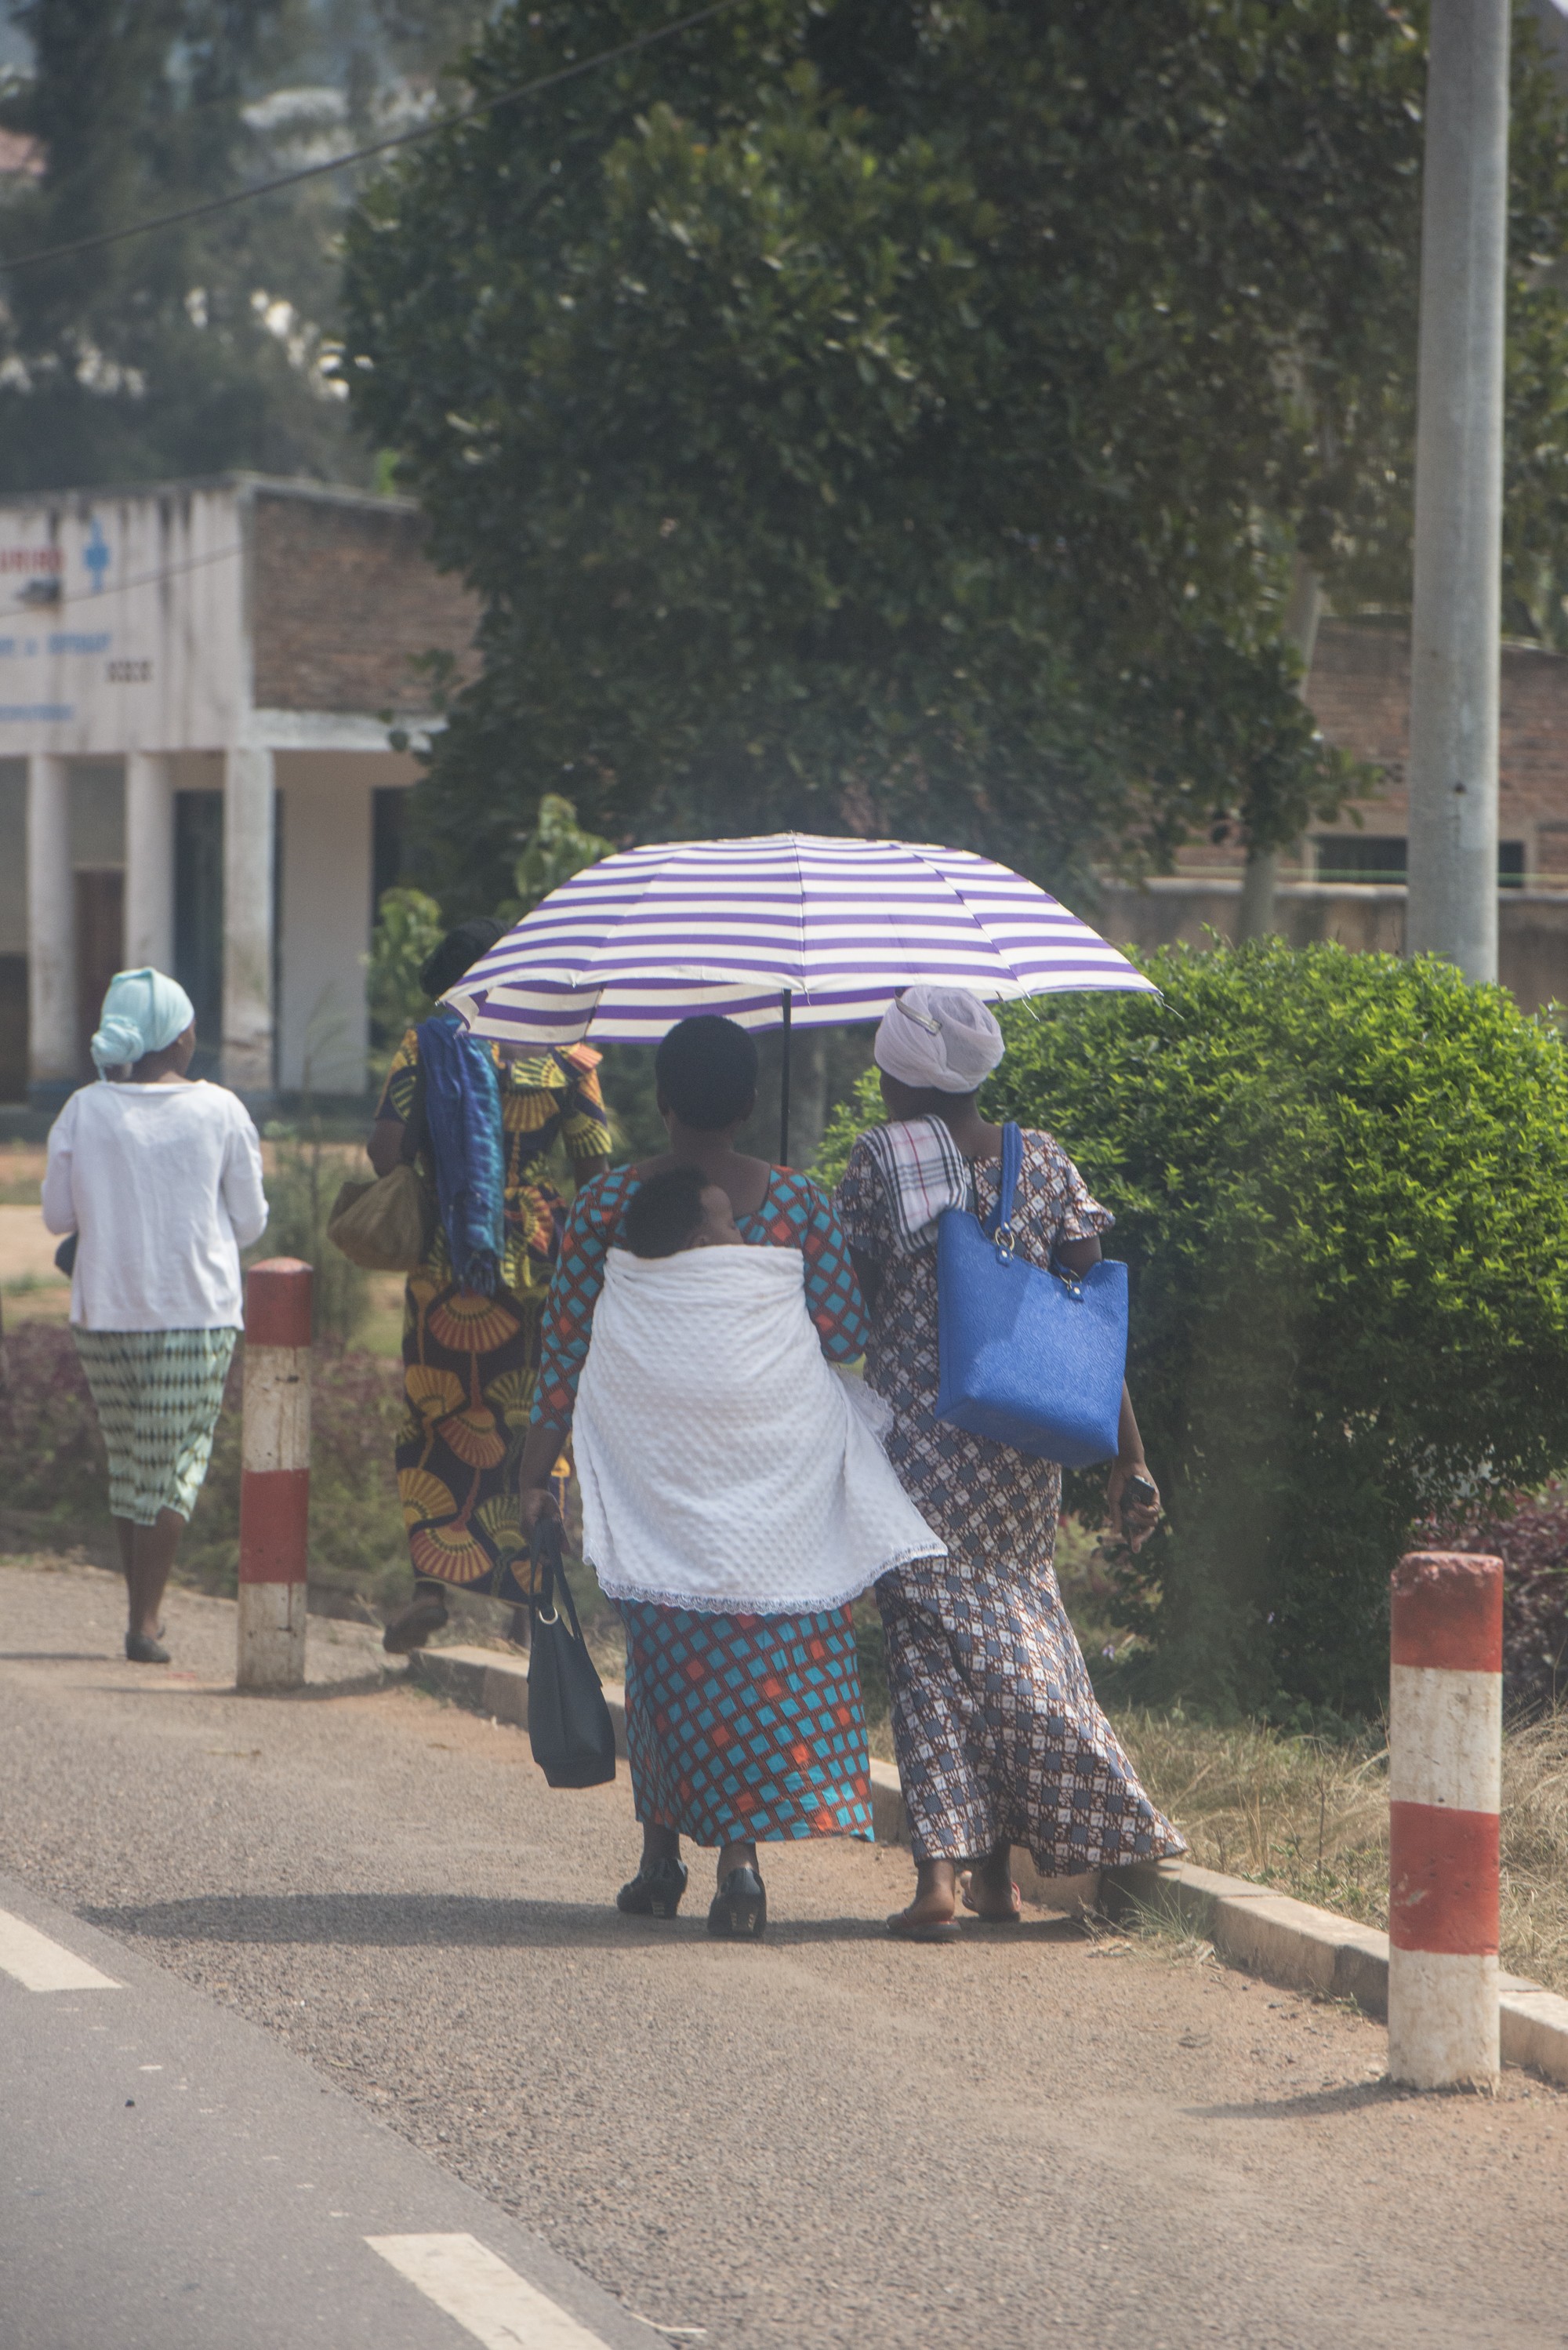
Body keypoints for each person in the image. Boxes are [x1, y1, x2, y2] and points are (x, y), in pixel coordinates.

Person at [835, 984, 1184, 1941]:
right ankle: (994, 1881)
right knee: (1009, 1638)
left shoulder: (877, 1161)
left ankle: (948, 1874)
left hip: (914, 1447)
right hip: (1023, 1456)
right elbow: (1089, 1332)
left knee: (926, 1653)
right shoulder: (1047, 1165)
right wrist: (1129, 1461)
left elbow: (845, 1304)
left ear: (899, 1077)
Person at [517, 1015, 877, 1939]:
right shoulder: (799, 1206)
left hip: (655, 1476)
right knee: (757, 1663)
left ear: (662, 1101)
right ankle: (741, 1865)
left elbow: (563, 1356)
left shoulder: (602, 1208)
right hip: (773, 1479)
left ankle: (658, 1860)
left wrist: (538, 1476)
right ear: (752, 1103)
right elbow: (841, 1341)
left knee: (668, 1660)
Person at [370, 918, 614, 1654]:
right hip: (542, 1267)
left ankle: (430, 1589)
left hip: (448, 1264)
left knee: (437, 1419)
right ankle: (527, 1607)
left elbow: (387, 1152)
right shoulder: (571, 1055)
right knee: (535, 1424)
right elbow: (597, 1169)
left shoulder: (431, 1043)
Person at [41, 968, 267, 1664]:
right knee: (174, 1467)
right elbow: (251, 1222)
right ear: (179, 1036)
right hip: (195, 1310)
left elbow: (56, 1216)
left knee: (131, 1464)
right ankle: (145, 1621)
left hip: (104, 1311)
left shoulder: (83, 1108)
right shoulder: (222, 1109)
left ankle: (141, 1612)